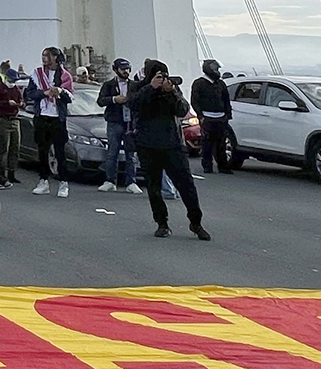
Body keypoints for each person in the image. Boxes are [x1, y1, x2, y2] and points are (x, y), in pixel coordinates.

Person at [130, 61, 209, 240]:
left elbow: (183, 110)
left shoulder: (171, 90)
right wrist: (151, 88)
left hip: (173, 145)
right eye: (158, 75)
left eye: (164, 74)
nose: (162, 78)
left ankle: (196, 222)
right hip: (148, 146)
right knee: (154, 187)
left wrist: (171, 91)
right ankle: (162, 223)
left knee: (187, 186)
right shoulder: (139, 87)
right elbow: (133, 104)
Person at [29, 47, 75, 198]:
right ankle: (43, 181)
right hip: (42, 116)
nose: (44, 58)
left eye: (47, 55)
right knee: (42, 151)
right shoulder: (37, 74)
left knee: (60, 151)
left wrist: (60, 92)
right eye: (43, 55)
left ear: (56, 57)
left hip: (57, 118)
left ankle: (63, 183)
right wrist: (44, 93)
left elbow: (70, 98)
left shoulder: (65, 75)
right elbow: (29, 94)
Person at [97, 57, 138, 194]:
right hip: (114, 121)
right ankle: (110, 180)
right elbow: (100, 101)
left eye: (127, 69)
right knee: (112, 152)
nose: (126, 71)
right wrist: (114, 99)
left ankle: (131, 181)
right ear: (115, 70)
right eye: (123, 69)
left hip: (130, 123)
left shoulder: (134, 85)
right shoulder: (108, 85)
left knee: (130, 154)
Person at [191, 59, 234, 174]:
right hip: (207, 117)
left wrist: (227, 115)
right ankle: (207, 166)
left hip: (221, 117)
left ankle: (223, 166)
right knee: (207, 143)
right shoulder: (199, 83)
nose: (217, 71)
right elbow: (195, 101)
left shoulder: (220, 83)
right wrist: (201, 115)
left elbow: (226, 100)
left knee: (221, 143)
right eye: (215, 69)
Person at [0, 62, 25, 187]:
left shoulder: (15, 88)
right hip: (3, 120)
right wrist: (6, 102)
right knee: (2, 149)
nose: (12, 82)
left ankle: (12, 174)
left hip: (15, 119)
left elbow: (21, 100)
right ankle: (1, 175)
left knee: (15, 148)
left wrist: (20, 103)